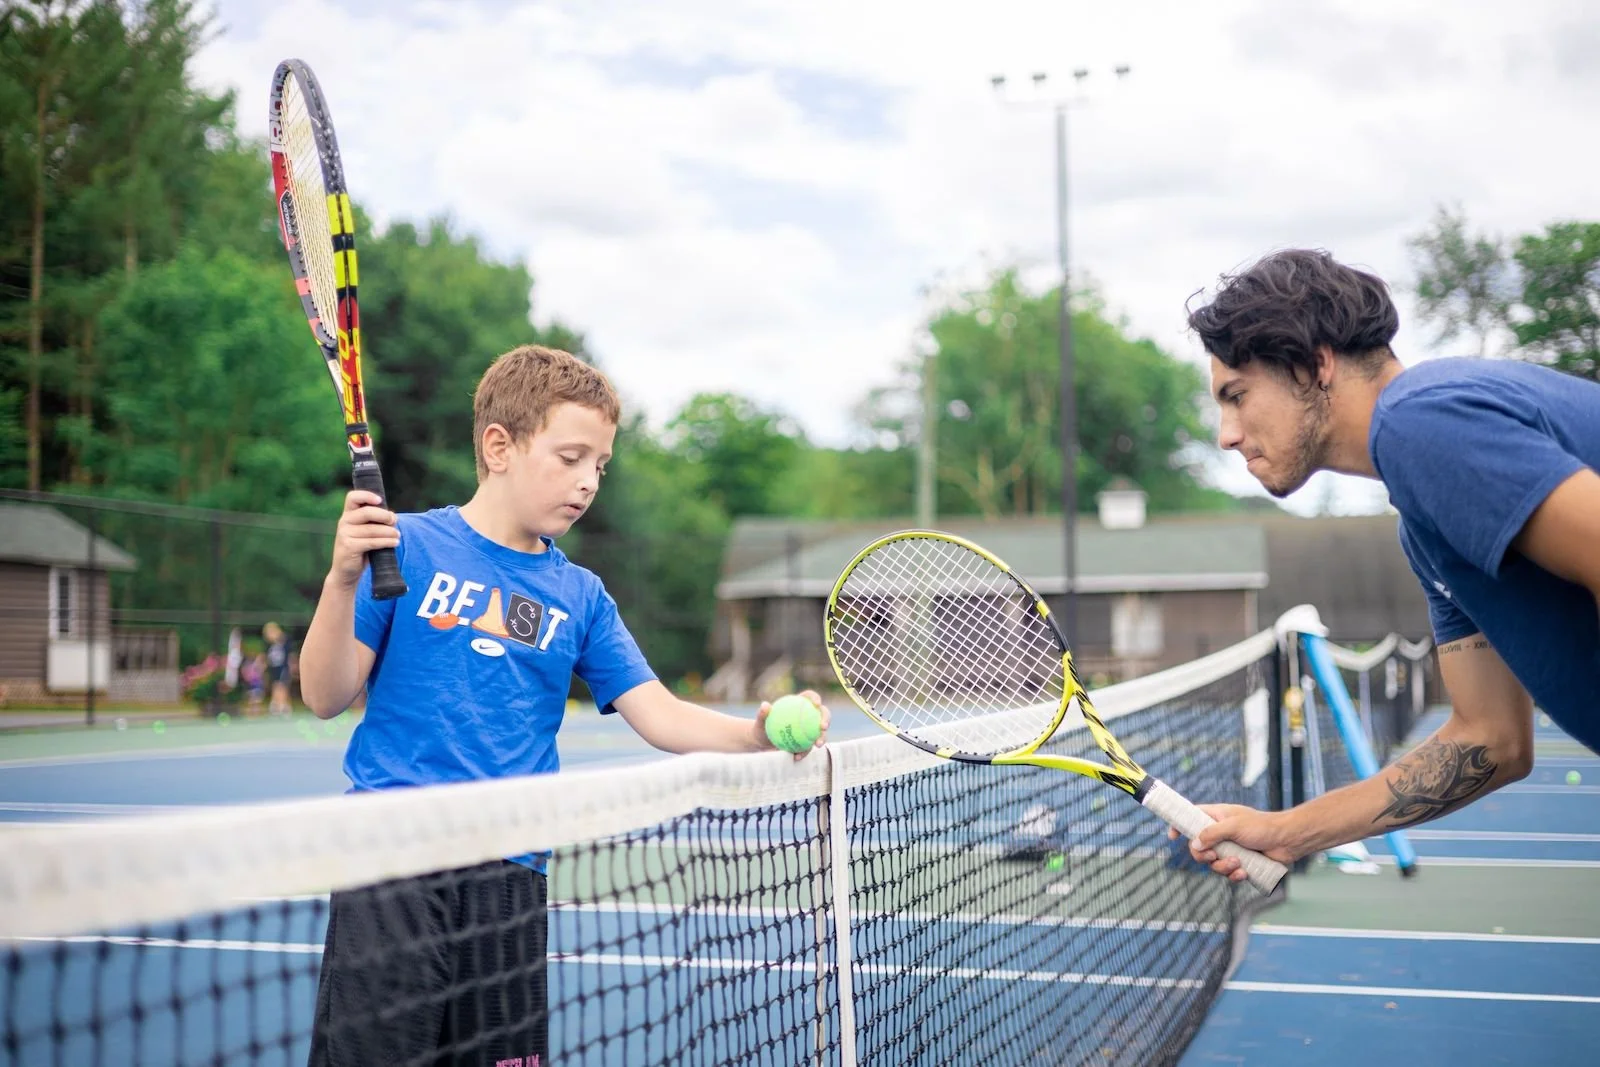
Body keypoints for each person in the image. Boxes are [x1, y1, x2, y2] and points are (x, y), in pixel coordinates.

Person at [296, 344, 830, 1067]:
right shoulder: (407, 547)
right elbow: (325, 695)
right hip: (392, 856)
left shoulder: (580, 595)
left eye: (600, 466)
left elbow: (662, 714)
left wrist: (758, 732)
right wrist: (339, 581)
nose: (587, 483)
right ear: (499, 447)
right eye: (571, 456)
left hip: (512, 869)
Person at [1176, 248, 1600, 884]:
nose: (1226, 434)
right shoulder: (1426, 522)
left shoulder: (1420, 422)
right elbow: (1491, 741)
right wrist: (1286, 831)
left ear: (1313, 364)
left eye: (1236, 395)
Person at [262, 621, 292, 717]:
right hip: (273, 667)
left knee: (282, 685)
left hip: (283, 666)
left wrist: (279, 638)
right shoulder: (269, 645)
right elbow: (267, 657)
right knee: (275, 684)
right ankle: (275, 704)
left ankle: (284, 704)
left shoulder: (284, 641)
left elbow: (288, 651)